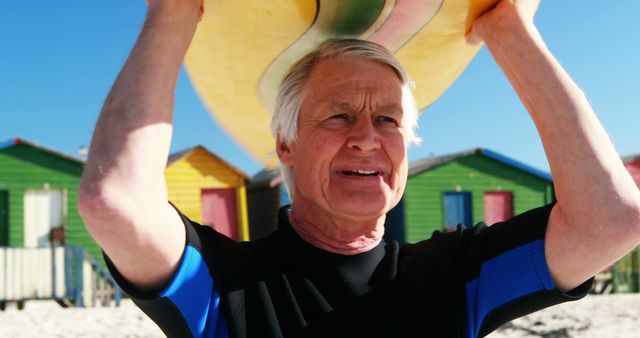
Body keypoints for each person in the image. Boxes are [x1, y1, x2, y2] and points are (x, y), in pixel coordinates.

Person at [78, 0, 640, 337]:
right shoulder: (227, 286)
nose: (368, 138)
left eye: (390, 121)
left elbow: (611, 220)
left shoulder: (456, 276)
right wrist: (173, 14)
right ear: (286, 143)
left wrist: (510, 32)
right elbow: (116, 204)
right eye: (339, 115)